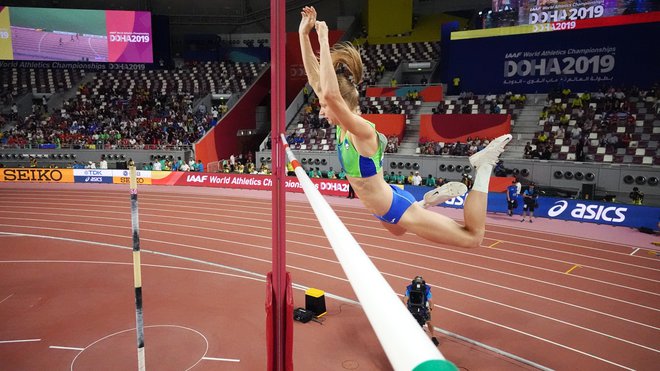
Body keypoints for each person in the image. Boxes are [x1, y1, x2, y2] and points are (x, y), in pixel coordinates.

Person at [300, 6, 511, 248]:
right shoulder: (341, 127)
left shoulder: (362, 132)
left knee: (473, 238)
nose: (321, 111)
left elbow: (329, 92)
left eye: (324, 106)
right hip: (386, 204)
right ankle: (427, 202)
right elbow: (318, 82)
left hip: (396, 208)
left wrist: (324, 39)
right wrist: (303, 35)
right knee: (397, 233)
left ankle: (483, 166)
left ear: (340, 104)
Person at [404, 276, 439, 346]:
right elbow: (430, 301)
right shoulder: (425, 289)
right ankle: (433, 336)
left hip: (414, 307)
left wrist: (406, 307)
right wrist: (430, 308)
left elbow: (405, 299)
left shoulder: (411, 288)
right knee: (429, 322)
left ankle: (433, 336)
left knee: (427, 321)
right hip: (419, 307)